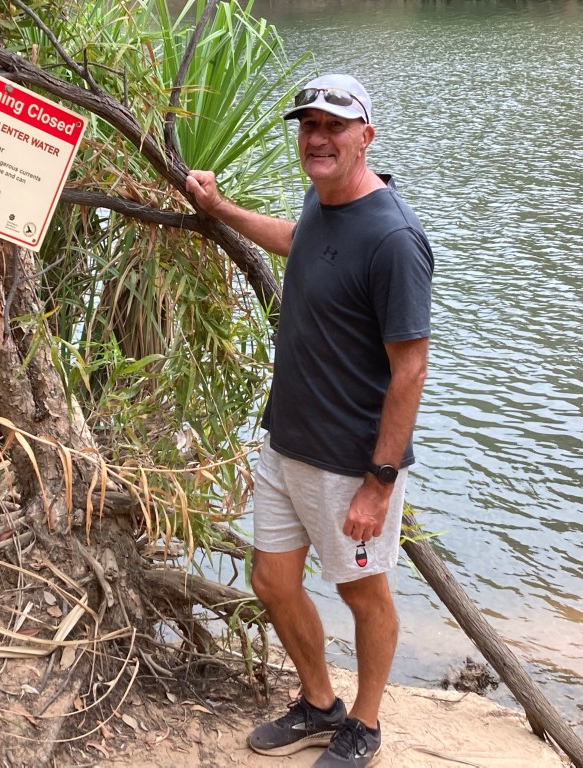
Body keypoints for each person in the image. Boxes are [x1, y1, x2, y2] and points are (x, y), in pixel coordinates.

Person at [185, 74, 433, 768]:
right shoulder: (322, 200)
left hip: (350, 460)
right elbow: (300, 242)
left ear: (366, 136)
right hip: (287, 441)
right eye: (309, 126)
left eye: (334, 126)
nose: (318, 138)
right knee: (271, 580)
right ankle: (319, 703)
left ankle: (365, 724)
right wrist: (220, 208)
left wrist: (379, 482)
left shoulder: (394, 238)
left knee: (362, 592)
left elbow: (411, 370)